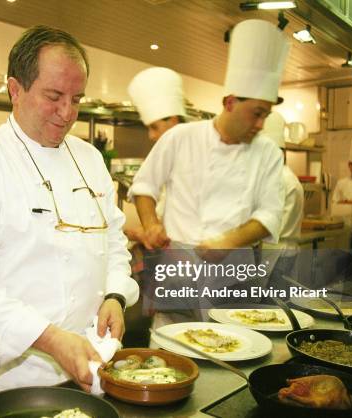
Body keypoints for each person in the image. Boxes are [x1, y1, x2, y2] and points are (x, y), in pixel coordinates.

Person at [0, 25, 139, 416]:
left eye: (76, 98)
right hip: (8, 382)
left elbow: (113, 239)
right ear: (15, 90)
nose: (67, 113)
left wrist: (115, 295)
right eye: (54, 96)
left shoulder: (91, 159)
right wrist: (50, 339)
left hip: (86, 371)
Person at [128, 19, 288, 327]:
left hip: (232, 277)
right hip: (177, 271)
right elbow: (145, 186)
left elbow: (270, 214)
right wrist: (150, 223)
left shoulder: (267, 151)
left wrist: (229, 240)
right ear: (229, 102)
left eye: (265, 115)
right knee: (169, 352)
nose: (260, 124)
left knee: (234, 352)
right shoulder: (181, 137)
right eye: (256, 113)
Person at [124, 67, 186, 244]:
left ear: (172, 120)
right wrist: (148, 228)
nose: (151, 136)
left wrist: (142, 233)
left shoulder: (195, 149)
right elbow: (144, 189)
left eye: (154, 127)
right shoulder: (171, 156)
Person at [260, 111, 304, 291]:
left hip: (278, 253)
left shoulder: (281, 180)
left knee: (274, 306)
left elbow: (270, 226)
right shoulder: (283, 176)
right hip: (281, 251)